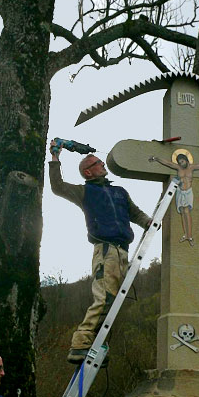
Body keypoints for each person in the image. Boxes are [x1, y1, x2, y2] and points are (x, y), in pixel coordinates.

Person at [49, 142, 151, 365]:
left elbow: (135, 213)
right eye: (98, 163)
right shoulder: (85, 191)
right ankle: (81, 343)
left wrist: (149, 223)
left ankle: (95, 346)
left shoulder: (119, 192)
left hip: (123, 251)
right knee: (104, 297)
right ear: (88, 171)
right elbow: (57, 187)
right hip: (106, 250)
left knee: (113, 302)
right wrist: (56, 158)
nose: (103, 164)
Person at [149, 153, 199, 246]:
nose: (181, 164)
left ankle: (190, 235)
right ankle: (186, 235)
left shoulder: (192, 167)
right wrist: (156, 158)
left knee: (187, 212)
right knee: (183, 213)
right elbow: (168, 163)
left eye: (182, 161)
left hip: (188, 192)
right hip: (180, 192)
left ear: (186, 160)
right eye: (179, 162)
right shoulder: (178, 168)